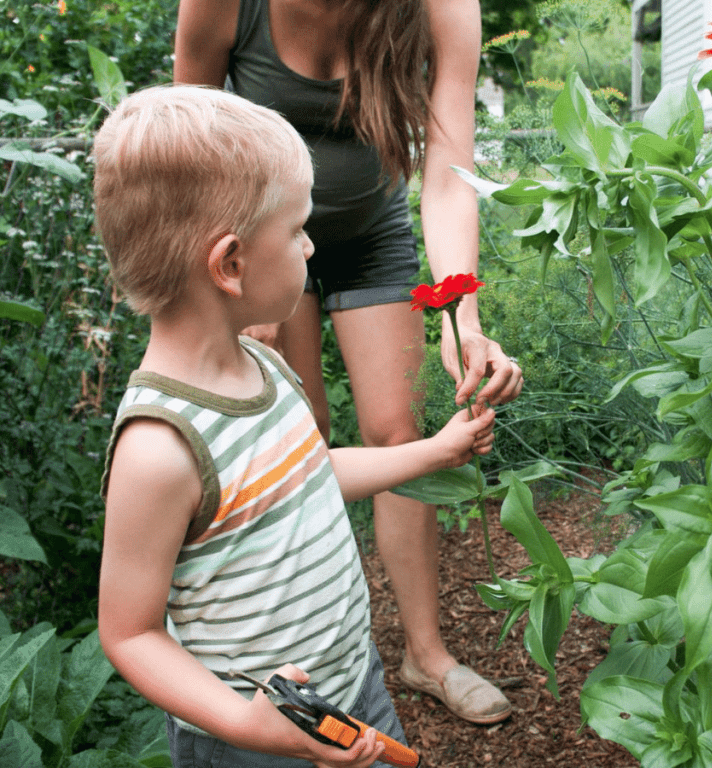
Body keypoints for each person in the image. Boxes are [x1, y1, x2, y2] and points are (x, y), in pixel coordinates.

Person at [95, 84, 497, 768]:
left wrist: (434, 453)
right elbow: (129, 634)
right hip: (252, 742)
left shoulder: (263, 366)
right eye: (296, 230)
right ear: (230, 264)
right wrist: (248, 728)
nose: (312, 248)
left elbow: (309, 475)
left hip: (351, 687)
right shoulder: (160, 449)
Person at [172, 0, 521, 724]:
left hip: (371, 230)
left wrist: (463, 315)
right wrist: (231, 283)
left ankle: (425, 654)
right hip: (263, 243)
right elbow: (189, 146)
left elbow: (450, 172)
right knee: (299, 441)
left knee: (402, 433)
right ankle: (295, 661)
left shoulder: (442, 7)